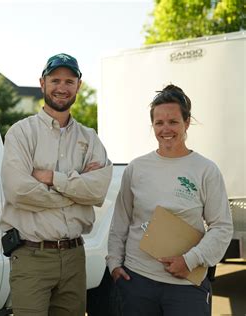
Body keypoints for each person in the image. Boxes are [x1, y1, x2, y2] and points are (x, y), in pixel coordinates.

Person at [0, 53, 113, 316]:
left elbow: (98, 189)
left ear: (78, 86)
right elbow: (19, 191)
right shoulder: (21, 133)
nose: (62, 87)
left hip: (75, 256)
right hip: (31, 257)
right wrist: (76, 191)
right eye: (55, 80)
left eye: (69, 81)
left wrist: (53, 178)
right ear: (42, 83)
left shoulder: (90, 138)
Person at [106, 84, 234, 316]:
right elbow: (120, 220)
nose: (166, 129)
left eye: (173, 122)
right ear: (153, 125)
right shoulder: (137, 168)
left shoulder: (205, 170)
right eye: (159, 123)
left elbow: (222, 227)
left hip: (186, 285)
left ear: (187, 123)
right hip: (137, 282)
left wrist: (189, 260)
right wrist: (114, 263)